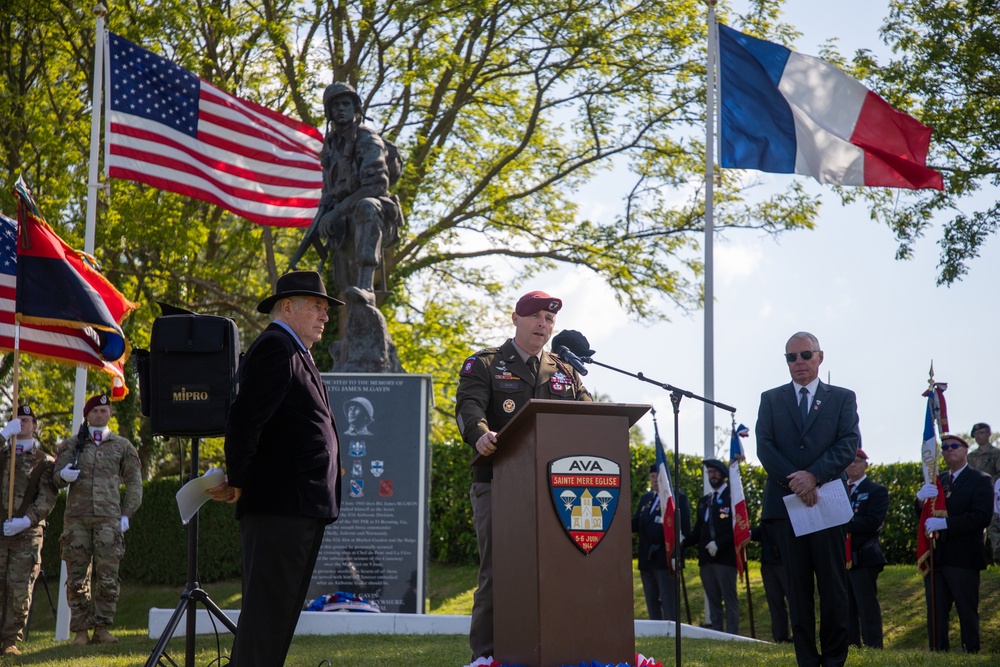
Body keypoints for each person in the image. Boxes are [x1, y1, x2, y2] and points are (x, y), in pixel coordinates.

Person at [208, 270, 344, 667]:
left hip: (297, 507)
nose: (324, 315)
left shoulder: (296, 350)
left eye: (325, 309)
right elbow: (245, 419)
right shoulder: (275, 347)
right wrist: (239, 480)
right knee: (267, 615)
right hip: (280, 506)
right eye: (317, 307)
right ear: (288, 307)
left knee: (279, 614)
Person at [455, 290, 592, 661]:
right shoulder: (485, 364)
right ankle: (485, 657)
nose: (543, 325)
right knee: (497, 574)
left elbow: (592, 417)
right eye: (536, 317)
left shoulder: (565, 372)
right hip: (498, 484)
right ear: (516, 319)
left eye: (549, 320)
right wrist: (480, 433)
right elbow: (469, 406)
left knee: (556, 573)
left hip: (555, 491)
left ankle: (553, 651)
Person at [756, 331, 859, 667]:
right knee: (797, 590)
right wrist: (797, 481)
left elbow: (847, 443)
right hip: (787, 506)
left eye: (805, 355)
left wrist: (814, 475)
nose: (798, 362)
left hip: (827, 502)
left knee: (833, 586)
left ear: (820, 357)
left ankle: (833, 659)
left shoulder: (842, 398)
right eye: (791, 357)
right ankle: (806, 660)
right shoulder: (771, 399)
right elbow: (765, 447)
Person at [53, 394, 143, 645]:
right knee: (76, 577)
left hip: (108, 519)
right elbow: (54, 478)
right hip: (77, 519)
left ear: (110, 414)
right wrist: (63, 475)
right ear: (87, 415)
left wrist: (127, 513)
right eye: (95, 411)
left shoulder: (122, 446)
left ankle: (102, 628)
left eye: (104, 410)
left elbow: (135, 482)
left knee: (108, 576)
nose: (100, 415)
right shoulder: (72, 444)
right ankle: (81, 631)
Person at [314, 81, 402, 294]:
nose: (341, 109)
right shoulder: (331, 146)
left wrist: (336, 212)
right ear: (329, 112)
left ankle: (366, 285)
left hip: (377, 217)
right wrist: (321, 218)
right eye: (336, 106)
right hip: (344, 219)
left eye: (346, 104)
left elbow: (377, 185)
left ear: (355, 108)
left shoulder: (367, 139)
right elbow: (328, 189)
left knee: (366, 205)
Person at [915, 433, 993, 653]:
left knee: (966, 611)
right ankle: (938, 653)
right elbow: (924, 517)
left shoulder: (981, 479)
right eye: (946, 447)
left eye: (954, 446)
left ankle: (971, 652)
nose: (949, 449)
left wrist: (946, 524)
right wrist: (920, 500)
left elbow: (981, 517)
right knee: (936, 611)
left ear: (966, 450)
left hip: (963, 557)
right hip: (937, 556)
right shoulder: (937, 480)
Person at [0, 406, 57, 656]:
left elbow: (47, 498)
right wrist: (3, 436)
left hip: (27, 534)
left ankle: (9, 640)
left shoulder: (44, 461)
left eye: (27, 420)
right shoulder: (3, 455)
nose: (22, 424)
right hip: (0, 531)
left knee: (19, 588)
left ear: (34, 426)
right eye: (17, 420)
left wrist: (27, 520)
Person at [632, 464, 691, 621]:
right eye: (652, 477)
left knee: (668, 600)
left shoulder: (677, 498)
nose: (654, 481)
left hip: (665, 557)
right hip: (647, 558)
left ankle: (670, 630)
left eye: (657, 477)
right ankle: (656, 631)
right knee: (651, 600)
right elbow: (637, 523)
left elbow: (683, 530)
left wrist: (678, 556)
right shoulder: (647, 499)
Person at [844, 447, 888, 649]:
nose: (853, 464)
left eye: (858, 460)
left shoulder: (875, 490)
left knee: (866, 605)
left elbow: (873, 522)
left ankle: (873, 647)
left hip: (864, 555)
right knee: (846, 606)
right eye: (850, 461)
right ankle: (852, 645)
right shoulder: (839, 490)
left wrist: (843, 523)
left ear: (866, 465)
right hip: (842, 557)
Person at [692, 458, 739, 634]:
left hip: (725, 559)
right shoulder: (705, 500)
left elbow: (739, 528)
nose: (712, 476)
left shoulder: (733, 497)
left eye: (715, 472)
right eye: (709, 472)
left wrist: (719, 543)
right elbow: (698, 530)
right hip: (706, 559)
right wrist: (682, 540)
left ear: (723, 474)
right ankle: (717, 634)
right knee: (713, 600)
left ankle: (733, 636)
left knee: (730, 601)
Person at [750, 522, 790, 643]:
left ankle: (801, 636)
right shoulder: (768, 505)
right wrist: (748, 534)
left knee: (795, 601)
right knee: (775, 602)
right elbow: (764, 528)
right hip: (768, 562)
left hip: (786, 560)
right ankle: (780, 637)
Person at [967, 422, 1000, 562]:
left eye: (982, 433)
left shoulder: (996, 453)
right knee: (976, 529)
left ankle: (997, 559)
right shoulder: (970, 456)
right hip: (975, 498)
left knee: (994, 528)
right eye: (976, 434)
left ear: (988, 434)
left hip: (993, 496)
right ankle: (979, 560)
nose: (978, 436)